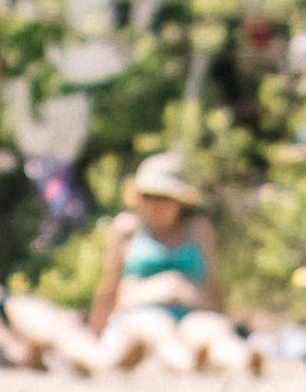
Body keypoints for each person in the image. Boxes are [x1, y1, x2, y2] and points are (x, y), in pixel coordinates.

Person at [84, 159, 248, 375]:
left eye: (163, 198)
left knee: (212, 330)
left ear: (179, 201)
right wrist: (96, 332)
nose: (154, 205)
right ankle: (187, 363)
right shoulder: (127, 229)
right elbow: (110, 286)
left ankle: (244, 362)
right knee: (156, 328)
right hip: (141, 311)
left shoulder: (199, 229)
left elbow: (212, 282)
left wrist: (221, 315)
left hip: (192, 311)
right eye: (148, 197)